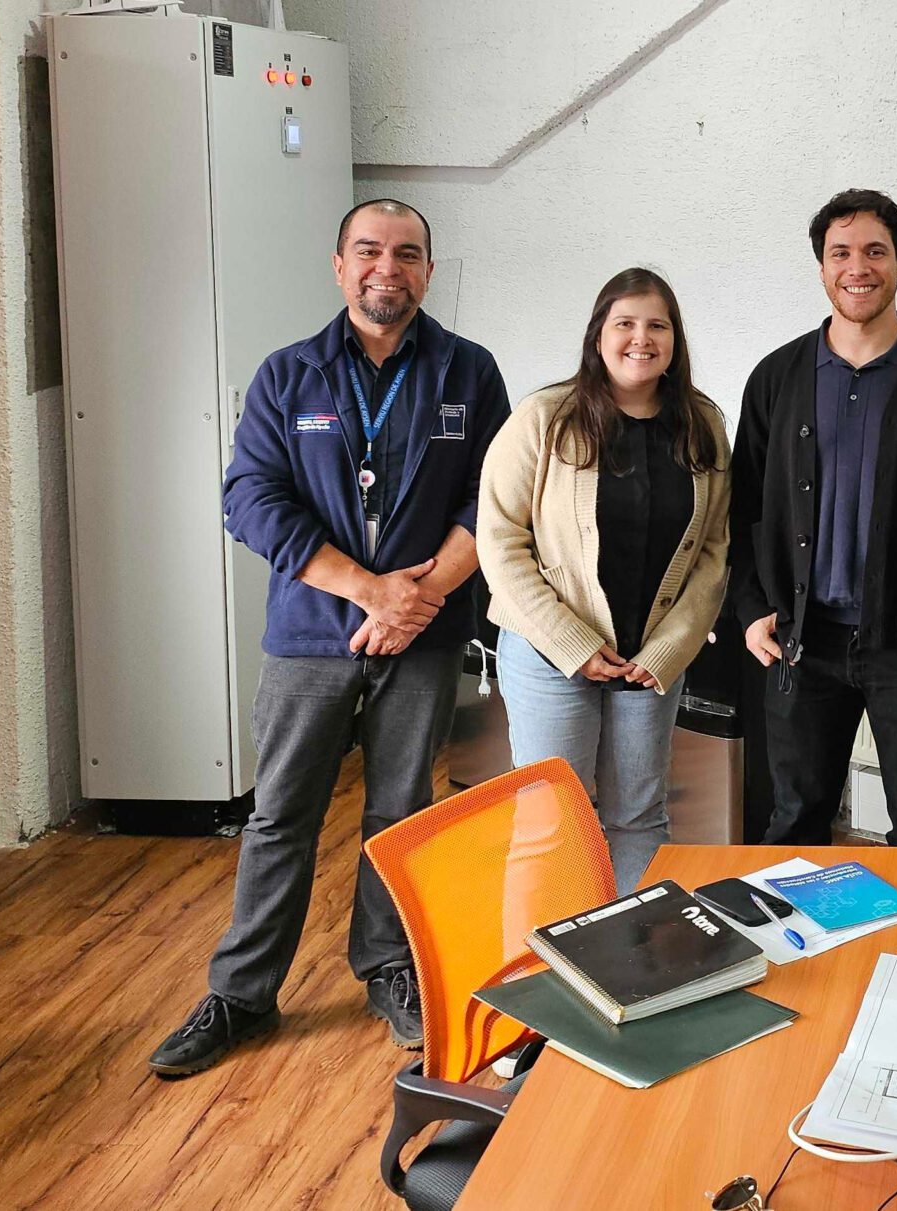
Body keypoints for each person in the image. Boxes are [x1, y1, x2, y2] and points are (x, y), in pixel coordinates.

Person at [152, 199, 511, 1076]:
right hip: (312, 631)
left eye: (408, 253)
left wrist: (419, 598)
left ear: (429, 270)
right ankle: (242, 993)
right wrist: (367, 590)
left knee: (401, 812)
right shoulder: (289, 375)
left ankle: (389, 967)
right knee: (281, 814)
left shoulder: (470, 371)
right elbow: (249, 497)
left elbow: (495, 497)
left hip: (424, 633)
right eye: (369, 251)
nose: (388, 267)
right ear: (339, 265)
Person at [731, 190, 897, 847]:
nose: (858, 267)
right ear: (821, 266)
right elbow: (744, 508)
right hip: (801, 638)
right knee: (794, 819)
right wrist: (752, 608)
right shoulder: (776, 377)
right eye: (840, 253)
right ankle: (797, 923)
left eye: (875, 251)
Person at [477, 267, 731, 889]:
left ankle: (631, 947)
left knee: (639, 818)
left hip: (648, 663)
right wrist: (574, 645)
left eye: (657, 326)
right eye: (625, 324)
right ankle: (538, 950)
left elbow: (714, 550)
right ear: (598, 335)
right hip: (548, 655)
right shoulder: (544, 417)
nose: (641, 339)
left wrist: (668, 650)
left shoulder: (702, 424)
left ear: (675, 340)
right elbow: (500, 543)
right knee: (548, 825)